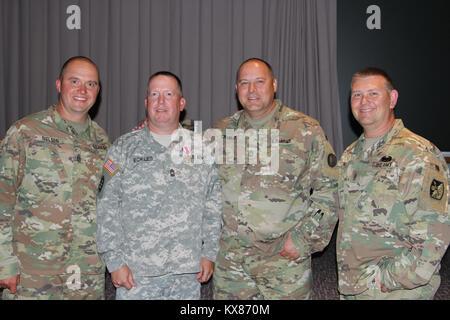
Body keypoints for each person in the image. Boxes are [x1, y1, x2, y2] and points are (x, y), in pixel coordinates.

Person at [211, 58, 339, 299]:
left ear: (274, 84)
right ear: (236, 88)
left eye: (259, 82)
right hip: (232, 266)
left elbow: (330, 189)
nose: (252, 90)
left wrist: (303, 239)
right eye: (244, 83)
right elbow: (195, 180)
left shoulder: (304, 130)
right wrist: (151, 131)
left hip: (283, 263)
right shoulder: (220, 132)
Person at [96, 71, 222, 300]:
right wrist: (114, 261)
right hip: (136, 274)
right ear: (146, 103)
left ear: (181, 103)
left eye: (168, 94)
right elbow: (106, 207)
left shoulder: (201, 149)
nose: (161, 101)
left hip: (186, 273)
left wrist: (209, 253)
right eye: (154, 94)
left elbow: (213, 206)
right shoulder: (123, 148)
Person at [0, 56, 110, 299]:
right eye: (75, 81)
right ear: (59, 84)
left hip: (86, 269)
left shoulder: (102, 141)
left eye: (91, 84)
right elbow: (3, 198)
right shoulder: (26, 132)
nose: (82, 90)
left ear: (98, 91)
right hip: (33, 270)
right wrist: (4, 262)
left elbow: (108, 201)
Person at [336, 67, 450, 299]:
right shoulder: (350, 155)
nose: (364, 101)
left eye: (373, 93)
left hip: (395, 289)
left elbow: (433, 235)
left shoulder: (417, 154)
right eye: (357, 95)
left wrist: (388, 280)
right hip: (354, 285)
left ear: (392, 98)